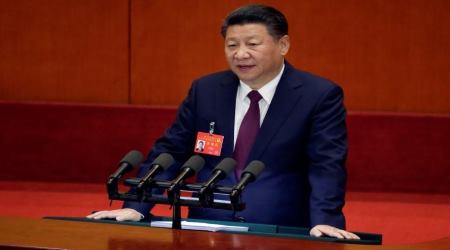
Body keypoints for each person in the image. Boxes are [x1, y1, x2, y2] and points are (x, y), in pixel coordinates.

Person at [88, 4, 359, 240]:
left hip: (281, 230)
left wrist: (325, 220)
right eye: (232, 45)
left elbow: (326, 165)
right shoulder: (206, 90)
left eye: (252, 44)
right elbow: (170, 151)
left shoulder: (318, 95)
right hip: (204, 229)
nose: (240, 54)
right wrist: (136, 205)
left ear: (283, 45)